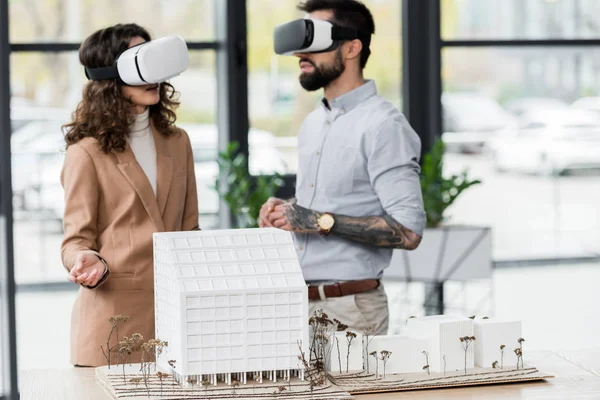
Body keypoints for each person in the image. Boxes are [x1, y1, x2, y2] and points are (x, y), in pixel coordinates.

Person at [260, 0, 426, 336]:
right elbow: (323, 207)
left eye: (315, 43)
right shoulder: (312, 124)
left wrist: (318, 220)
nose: (300, 56)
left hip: (351, 310)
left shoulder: (383, 125)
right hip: (298, 305)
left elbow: (409, 231)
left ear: (352, 48)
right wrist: (286, 213)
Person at [61, 23, 199, 367]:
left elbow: (190, 230)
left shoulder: (178, 141)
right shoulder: (86, 152)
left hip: (176, 322)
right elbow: (75, 240)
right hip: (113, 324)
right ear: (110, 76)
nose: (152, 75)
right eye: (138, 63)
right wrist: (86, 261)